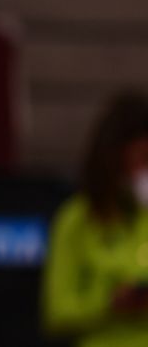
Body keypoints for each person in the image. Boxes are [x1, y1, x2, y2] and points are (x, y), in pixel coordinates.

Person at [43, 91, 148, 347]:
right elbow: (57, 313)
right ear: (114, 158)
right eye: (144, 159)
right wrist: (110, 304)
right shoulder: (76, 220)